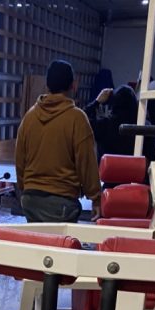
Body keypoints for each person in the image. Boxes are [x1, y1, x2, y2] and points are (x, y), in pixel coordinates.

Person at [15, 60, 100, 223]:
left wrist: (24, 188)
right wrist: (96, 197)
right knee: (60, 246)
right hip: (62, 202)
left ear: (47, 86)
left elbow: (20, 159)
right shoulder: (77, 118)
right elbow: (86, 162)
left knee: (36, 246)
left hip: (30, 200)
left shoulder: (29, 117)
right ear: (73, 85)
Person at [85, 84, 155, 164]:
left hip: (108, 175)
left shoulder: (104, 125)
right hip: (136, 175)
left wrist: (96, 102)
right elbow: (153, 160)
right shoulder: (145, 128)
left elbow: (81, 120)